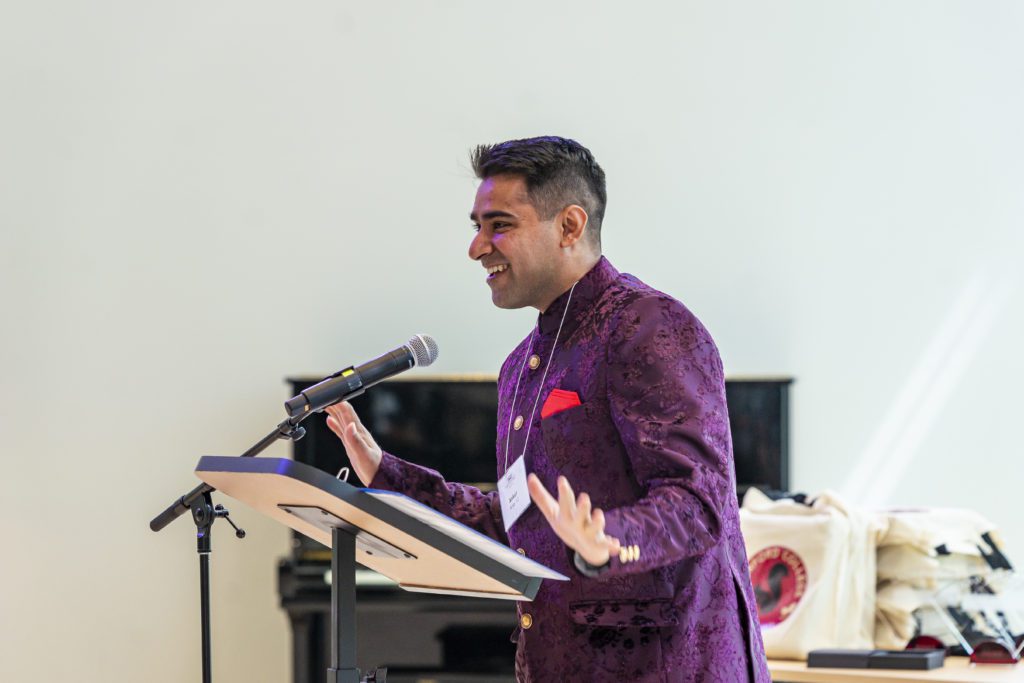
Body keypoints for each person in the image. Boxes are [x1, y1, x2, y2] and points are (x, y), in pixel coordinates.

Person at [325, 136, 769, 682]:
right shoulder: (521, 367)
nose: (478, 247)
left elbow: (699, 502)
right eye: (477, 227)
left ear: (569, 226)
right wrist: (387, 474)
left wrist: (608, 535)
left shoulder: (649, 327)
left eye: (500, 225)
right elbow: (515, 520)